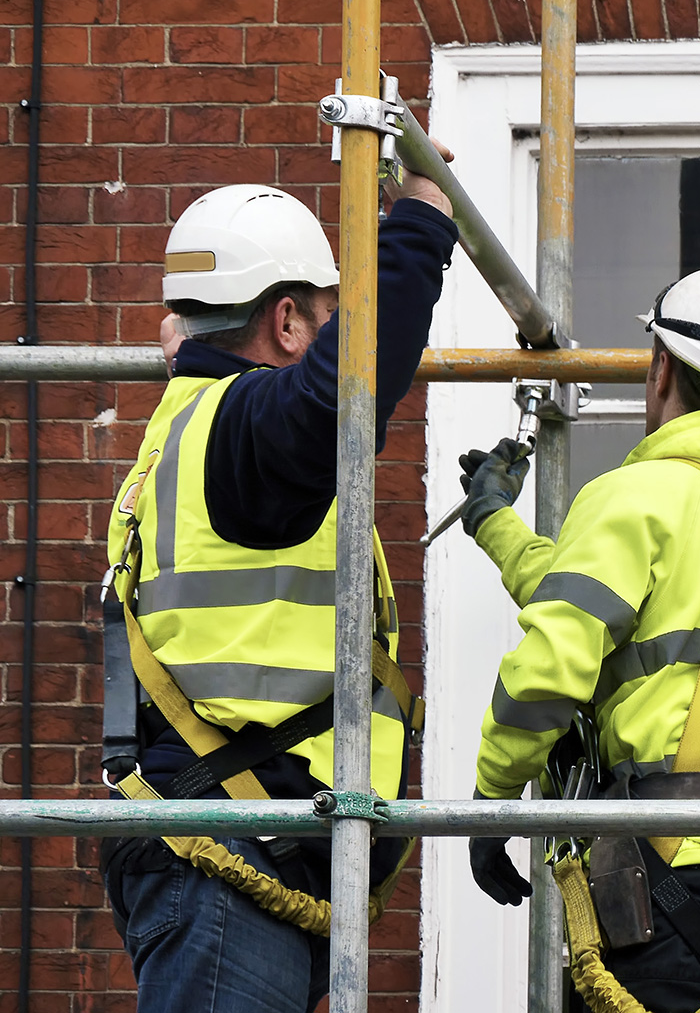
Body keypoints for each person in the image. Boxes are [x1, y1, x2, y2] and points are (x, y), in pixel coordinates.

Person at [99, 158, 458, 1013]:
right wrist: (422, 220)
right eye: (326, 314)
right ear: (288, 318)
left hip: (230, 843)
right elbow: (342, 391)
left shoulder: (197, 421)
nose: (338, 332)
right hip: (228, 850)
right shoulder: (246, 427)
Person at [459, 264, 700, 1013]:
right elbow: (605, 595)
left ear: (661, 366)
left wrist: (490, 804)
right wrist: (497, 525)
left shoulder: (633, 497)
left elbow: (548, 671)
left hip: (668, 889)